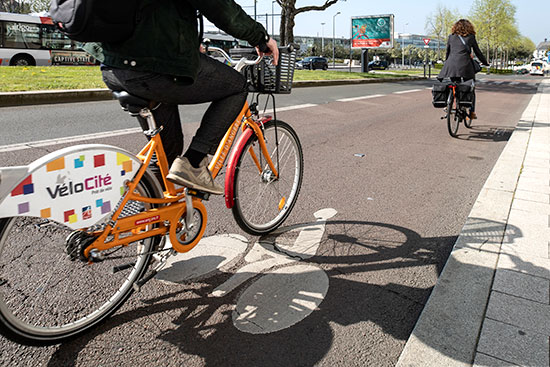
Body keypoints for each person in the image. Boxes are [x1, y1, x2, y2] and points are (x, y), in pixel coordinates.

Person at [84, 0, 279, 195]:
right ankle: (194, 163)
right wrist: (260, 37)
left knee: (166, 155)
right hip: (153, 64)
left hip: (113, 65)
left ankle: (148, 217)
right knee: (237, 86)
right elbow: (219, 6)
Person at [438, 19, 488, 119]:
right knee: (470, 88)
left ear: (455, 27)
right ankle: (472, 112)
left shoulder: (451, 37)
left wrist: (447, 63)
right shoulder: (471, 37)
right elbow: (478, 52)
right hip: (466, 67)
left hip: (451, 66)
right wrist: (485, 62)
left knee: (454, 85)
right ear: (469, 27)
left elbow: (448, 53)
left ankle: (452, 104)